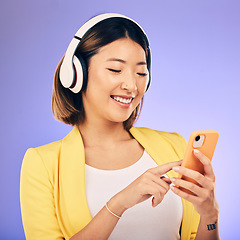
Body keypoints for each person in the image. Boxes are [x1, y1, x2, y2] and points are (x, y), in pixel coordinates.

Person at [20, 13, 220, 240]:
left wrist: (210, 217)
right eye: (116, 70)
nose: (131, 86)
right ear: (76, 73)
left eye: (141, 73)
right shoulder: (42, 164)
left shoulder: (173, 146)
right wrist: (119, 203)